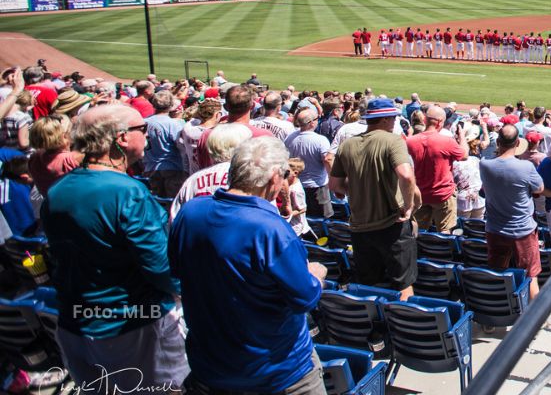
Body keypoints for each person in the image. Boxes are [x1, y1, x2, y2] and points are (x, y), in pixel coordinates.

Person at [42, 105, 187, 389]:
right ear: (121, 138)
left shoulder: (58, 189)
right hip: (131, 323)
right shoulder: (126, 191)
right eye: (143, 129)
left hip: (75, 320)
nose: (147, 136)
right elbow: (160, 267)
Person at [170, 138, 328, 394]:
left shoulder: (191, 213)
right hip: (278, 373)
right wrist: (316, 275)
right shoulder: (271, 229)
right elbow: (305, 298)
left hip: (210, 367)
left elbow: (177, 272)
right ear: (275, 178)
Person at [329, 98, 421, 300]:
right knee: (403, 283)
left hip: (360, 228)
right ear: (386, 119)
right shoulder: (393, 140)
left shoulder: (347, 145)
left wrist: (357, 191)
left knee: (369, 284)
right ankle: (404, 326)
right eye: (394, 118)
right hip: (391, 226)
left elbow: (335, 186)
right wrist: (408, 205)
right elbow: (406, 175)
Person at [481, 125, 551, 301]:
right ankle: (536, 320)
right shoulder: (525, 167)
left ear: (498, 142)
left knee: (497, 273)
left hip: (495, 229)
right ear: (517, 143)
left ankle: (490, 322)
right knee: (531, 275)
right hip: (522, 230)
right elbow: (539, 188)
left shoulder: (485, 164)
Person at [406, 105, 467, 232]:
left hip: (420, 193)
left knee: (418, 230)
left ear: (425, 120)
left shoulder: (410, 141)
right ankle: (441, 252)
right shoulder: (447, 141)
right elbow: (464, 155)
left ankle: (419, 251)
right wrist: (462, 136)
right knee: (445, 231)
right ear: (440, 122)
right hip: (443, 194)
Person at [286, 107, 334, 218]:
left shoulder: (290, 137)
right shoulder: (320, 140)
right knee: (322, 220)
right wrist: (332, 179)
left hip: (296, 185)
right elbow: (327, 161)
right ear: (312, 123)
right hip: (317, 187)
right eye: (317, 119)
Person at [143, 88, 188, 198]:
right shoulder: (173, 124)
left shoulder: (144, 122)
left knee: (156, 202)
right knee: (172, 202)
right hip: (172, 167)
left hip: (150, 167)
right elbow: (182, 146)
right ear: (171, 105)